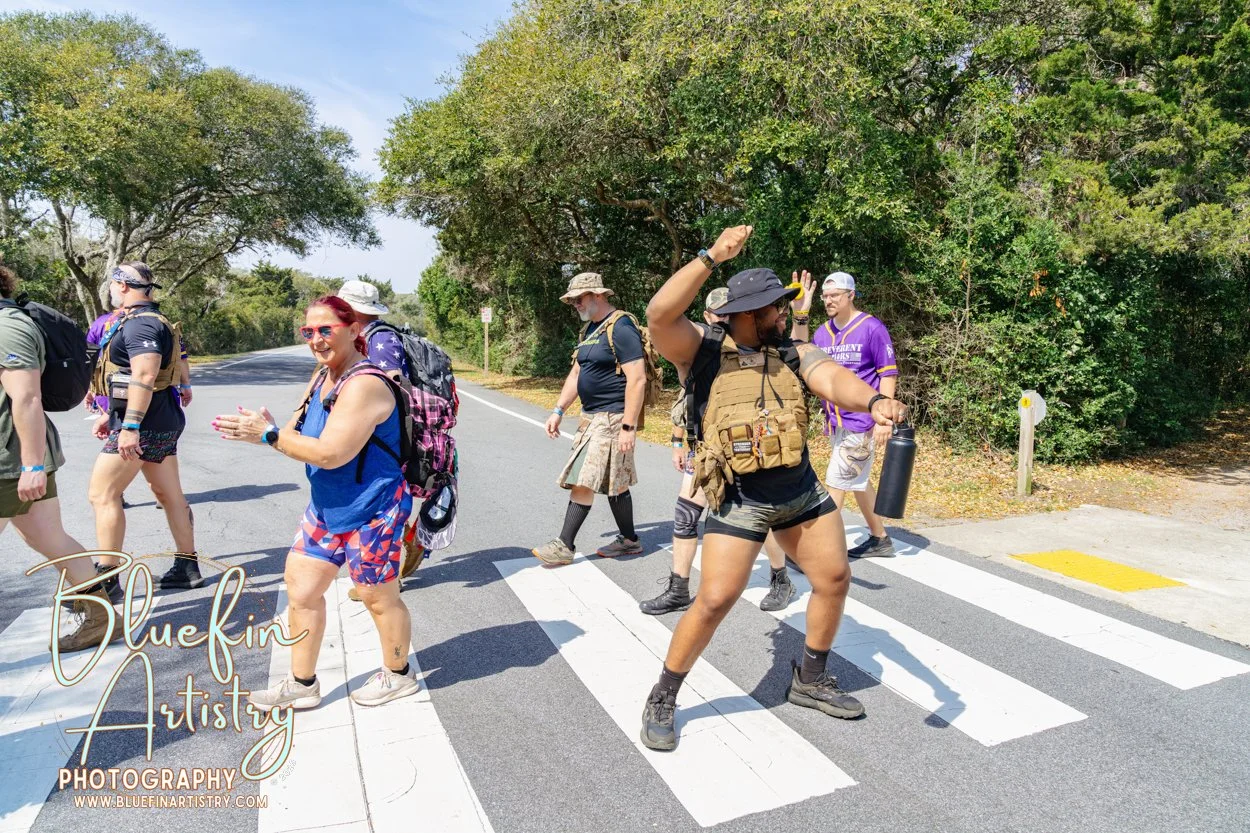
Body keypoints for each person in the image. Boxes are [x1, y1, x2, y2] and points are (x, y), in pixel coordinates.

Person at [639, 226, 907, 750]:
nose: (783, 316)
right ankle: (664, 694)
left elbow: (831, 378)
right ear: (747, 313)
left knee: (833, 578)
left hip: (801, 492)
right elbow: (658, 315)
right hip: (740, 498)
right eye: (774, 310)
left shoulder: (792, 352)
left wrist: (873, 402)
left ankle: (809, 678)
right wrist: (713, 256)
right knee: (715, 599)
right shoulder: (703, 350)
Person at [213, 295, 418, 708]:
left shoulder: (365, 384)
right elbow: (296, 435)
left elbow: (329, 453)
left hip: (374, 507)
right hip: (327, 505)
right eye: (309, 331)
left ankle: (398, 675)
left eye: (327, 330)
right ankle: (302, 685)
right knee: (302, 590)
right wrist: (266, 430)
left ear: (355, 329)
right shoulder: (322, 375)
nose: (316, 339)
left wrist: (270, 435)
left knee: (377, 596)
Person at [640, 282, 812, 615]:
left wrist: (801, 316)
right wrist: (678, 441)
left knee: (764, 515)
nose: (723, 320)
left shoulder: (756, 346)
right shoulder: (700, 348)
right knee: (686, 513)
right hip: (707, 452)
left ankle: (780, 578)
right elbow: (688, 399)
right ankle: (678, 588)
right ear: (707, 316)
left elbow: (795, 355)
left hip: (754, 447)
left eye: (728, 314)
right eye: (717, 314)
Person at [0, 262, 119, 653]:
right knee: (46, 536)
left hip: (10, 458)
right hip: (16, 457)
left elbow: (27, 396)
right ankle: (101, 618)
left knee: (47, 536)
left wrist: (32, 464)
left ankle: (99, 616)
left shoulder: (7, 325)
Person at [87, 263, 199, 592]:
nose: (110, 289)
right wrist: (115, 415)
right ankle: (187, 567)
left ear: (122, 286)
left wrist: (130, 425)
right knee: (168, 494)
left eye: (112, 284)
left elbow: (145, 376)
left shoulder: (141, 326)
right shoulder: (149, 320)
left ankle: (106, 580)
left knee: (103, 495)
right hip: (161, 417)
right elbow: (136, 379)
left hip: (145, 423)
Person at [532, 272, 646, 566]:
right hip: (590, 418)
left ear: (597, 295)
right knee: (614, 481)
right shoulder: (591, 331)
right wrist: (559, 410)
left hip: (612, 418)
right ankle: (630, 540)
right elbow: (577, 373)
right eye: (571, 301)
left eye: (578, 299)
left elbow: (637, 378)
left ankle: (564, 545)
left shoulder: (621, 327)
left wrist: (628, 427)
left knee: (582, 476)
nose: (575, 305)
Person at [337, 279, 424, 596]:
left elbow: (391, 387)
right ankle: (386, 566)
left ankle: (386, 578)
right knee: (374, 505)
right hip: (372, 437)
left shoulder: (381, 340)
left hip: (383, 438)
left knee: (383, 506)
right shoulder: (364, 338)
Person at [812, 271, 899, 557]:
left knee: (836, 483)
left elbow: (888, 374)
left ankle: (821, 551)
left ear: (851, 295)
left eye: (834, 295)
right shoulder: (821, 333)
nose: (828, 301)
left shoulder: (872, 328)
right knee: (857, 480)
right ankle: (880, 538)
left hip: (862, 422)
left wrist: (883, 417)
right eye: (825, 296)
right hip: (836, 422)